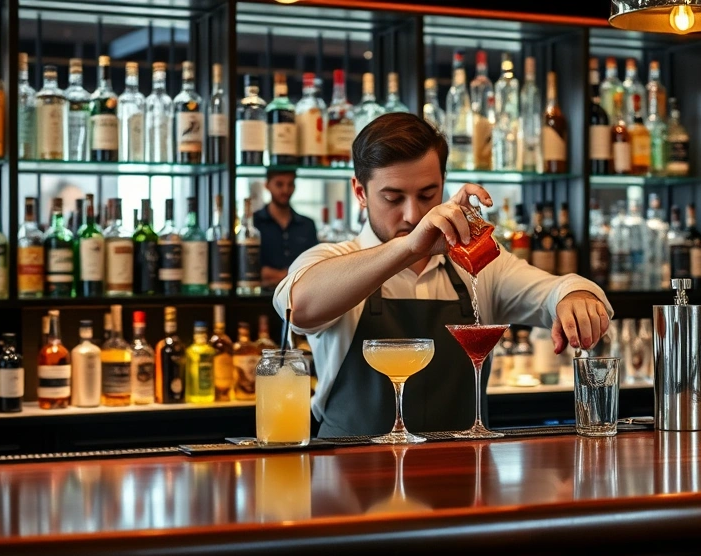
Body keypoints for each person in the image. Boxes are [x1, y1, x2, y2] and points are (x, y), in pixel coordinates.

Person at [273, 113, 613, 439]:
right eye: (393, 198)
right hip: (351, 478)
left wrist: (574, 296)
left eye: (427, 195)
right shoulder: (332, 260)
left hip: (460, 477)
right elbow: (298, 308)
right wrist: (410, 247)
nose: (413, 214)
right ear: (360, 192)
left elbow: (552, 290)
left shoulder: (478, 265)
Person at [254, 168, 319, 289]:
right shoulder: (254, 223)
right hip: (258, 299)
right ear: (267, 185)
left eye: (290, 184)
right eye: (279, 184)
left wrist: (274, 275)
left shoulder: (307, 225)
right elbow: (254, 272)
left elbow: (314, 268)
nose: (286, 190)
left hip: (300, 298)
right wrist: (294, 275)